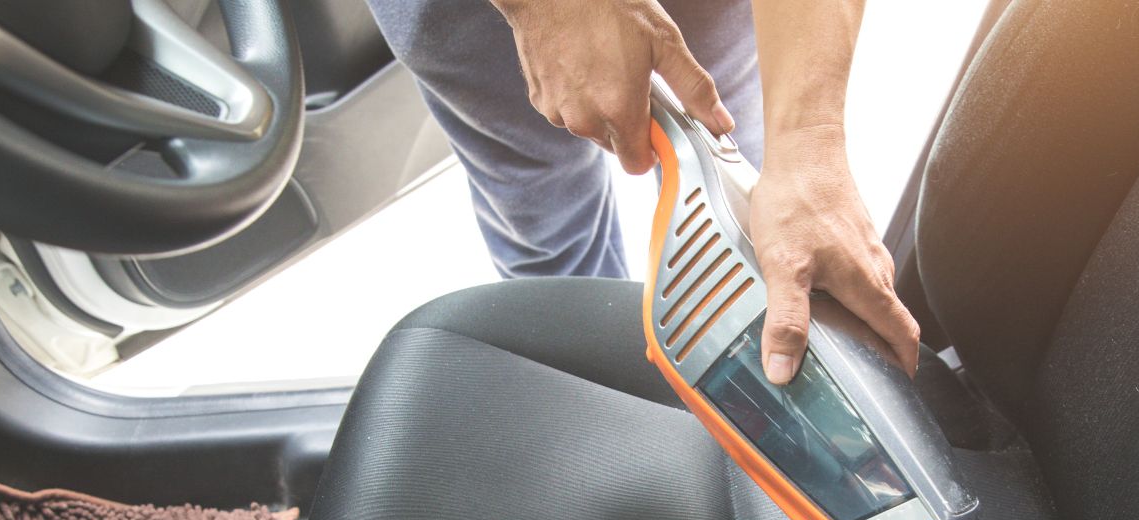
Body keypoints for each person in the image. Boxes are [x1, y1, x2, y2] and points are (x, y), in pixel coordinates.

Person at [366, 0, 918, 386]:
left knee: (739, 188)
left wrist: (807, 143)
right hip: (479, 18)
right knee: (549, 230)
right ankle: (596, 400)